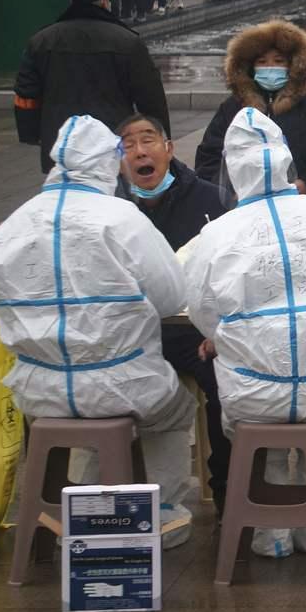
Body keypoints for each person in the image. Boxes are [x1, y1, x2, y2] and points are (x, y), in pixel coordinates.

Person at [0, 116, 197, 542]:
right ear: (106, 162)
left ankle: (83, 509)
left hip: (38, 391)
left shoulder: (13, 224)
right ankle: (160, 514)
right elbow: (172, 298)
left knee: (90, 423)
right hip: (125, 384)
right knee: (176, 410)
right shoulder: (121, 218)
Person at [183, 109, 306, 559]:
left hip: (253, 395)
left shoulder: (218, 232)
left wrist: (226, 335)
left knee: (261, 421)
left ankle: (272, 532)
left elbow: (201, 310)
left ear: (232, 168)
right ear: (286, 159)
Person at [115, 112, 231, 511]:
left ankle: (226, 490)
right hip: (128, 336)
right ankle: (118, 500)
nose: (139, 151)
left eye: (148, 140)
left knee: (225, 376)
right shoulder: (110, 209)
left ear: (168, 148)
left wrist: (216, 332)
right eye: (127, 144)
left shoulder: (208, 199)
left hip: (189, 333)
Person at [14, 0, 171, 172]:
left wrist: (33, 134)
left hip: (60, 146)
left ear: (71, 1)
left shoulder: (41, 41)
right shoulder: (128, 42)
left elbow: (25, 95)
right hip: (112, 144)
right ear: (104, 0)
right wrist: (160, 138)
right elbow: (151, 98)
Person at [195, 21, 306, 198]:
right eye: (262, 62)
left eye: (278, 61)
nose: (270, 67)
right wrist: (230, 192)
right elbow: (208, 158)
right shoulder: (233, 108)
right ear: (250, 67)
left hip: (301, 207)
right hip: (245, 210)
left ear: (292, 65)